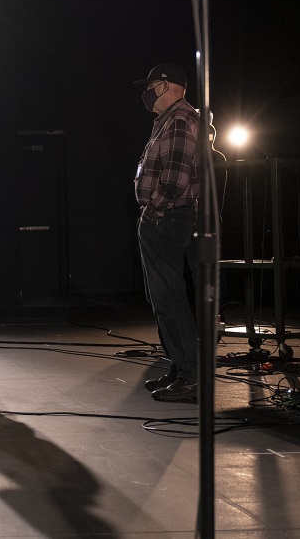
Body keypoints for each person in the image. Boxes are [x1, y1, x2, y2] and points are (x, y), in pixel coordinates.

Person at [134, 63, 201, 403]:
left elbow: (174, 181)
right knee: (161, 298)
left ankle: (190, 375)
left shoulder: (179, 120)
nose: (148, 93)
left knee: (170, 298)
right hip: (162, 218)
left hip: (167, 219)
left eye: (153, 86)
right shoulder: (166, 121)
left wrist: (153, 210)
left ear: (170, 87)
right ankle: (179, 367)